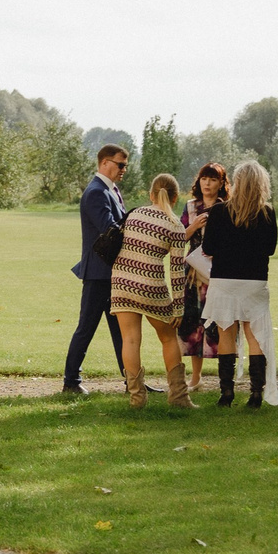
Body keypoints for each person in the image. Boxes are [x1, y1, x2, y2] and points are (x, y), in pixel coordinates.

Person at [192, 159, 278, 409]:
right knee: (255, 337)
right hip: (254, 281)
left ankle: (227, 392)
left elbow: (208, 248)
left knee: (226, 334)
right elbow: (270, 249)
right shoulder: (267, 212)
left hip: (224, 280)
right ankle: (255, 393)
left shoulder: (220, 211)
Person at [110, 172, 193, 410]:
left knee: (130, 340)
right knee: (168, 338)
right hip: (151, 287)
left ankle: (137, 400)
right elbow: (177, 271)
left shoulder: (134, 214)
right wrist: (178, 307)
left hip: (122, 283)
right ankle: (178, 397)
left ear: (151, 194)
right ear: (176, 197)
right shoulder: (175, 225)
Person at [62, 144, 131, 394]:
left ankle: (132, 381)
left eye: (126, 165)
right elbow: (110, 229)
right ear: (105, 163)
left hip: (110, 273)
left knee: (122, 330)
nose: (124, 170)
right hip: (99, 274)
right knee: (86, 329)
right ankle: (71, 382)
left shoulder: (109, 190)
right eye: (120, 164)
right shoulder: (96, 192)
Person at [178, 164, 228, 395]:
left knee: (220, 325)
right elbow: (179, 237)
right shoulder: (191, 207)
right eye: (203, 179)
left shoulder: (227, 207)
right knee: (193, 325)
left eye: (212, 179)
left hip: (219, 273)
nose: (207, 184)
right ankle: (195, 377)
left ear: (221, 183)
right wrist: (194, 225)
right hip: (194, 276)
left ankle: (224, 378)